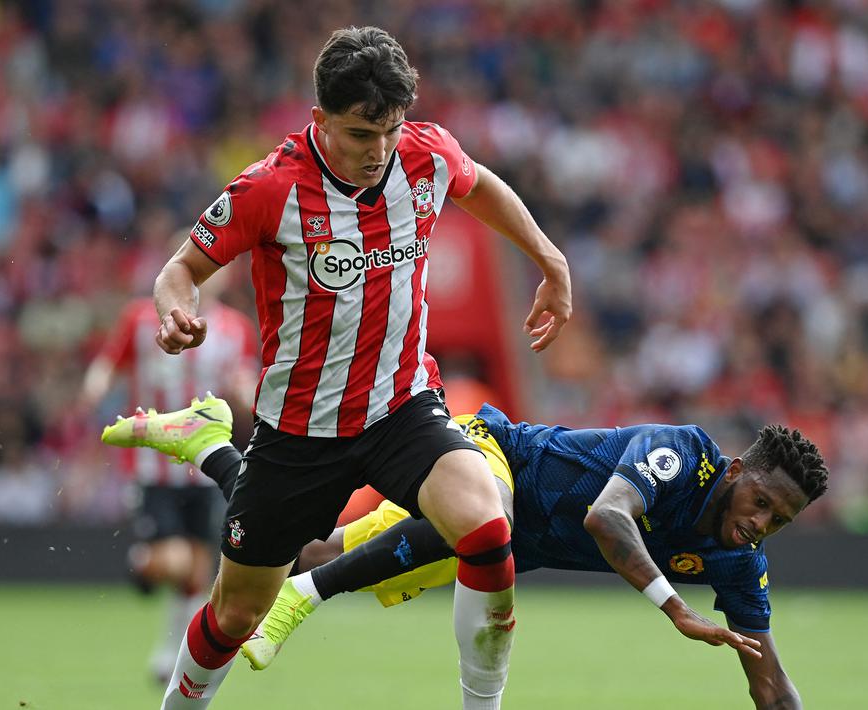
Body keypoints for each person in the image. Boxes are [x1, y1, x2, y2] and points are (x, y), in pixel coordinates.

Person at [145, 26, 572, 709]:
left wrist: (548, 258)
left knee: (487, 527)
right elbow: (181, 270)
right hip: (299, 430)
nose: (378, 151)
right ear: (319, 119)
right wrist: (175, 312)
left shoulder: (426, 153)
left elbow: (478, 184)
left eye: (390, 131)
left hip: (401, 407)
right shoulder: (269, 188)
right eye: (359, 134)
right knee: (235, 613)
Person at [105, 398, 825, 710]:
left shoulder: (738, 561)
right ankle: (306, 600)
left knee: (303, 553)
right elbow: (608, 518)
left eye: (779, 520)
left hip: (499, 550)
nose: (760, 523)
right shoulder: (684, 454)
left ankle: (208, 442)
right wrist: (674, 609)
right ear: (737, 470)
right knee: (490, 525)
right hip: (488, 455)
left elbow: (769, 683)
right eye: (761, 501)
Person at [78, 274, 258, 683]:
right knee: (175, 560)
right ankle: (140, 563)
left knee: (197, 570)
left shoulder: (235, 328)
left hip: (208, 464)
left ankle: (170, 653)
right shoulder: (141, 319)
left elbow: (243, 377)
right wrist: (95, 388)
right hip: (153, 463)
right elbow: (111, 362)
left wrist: (252, 398)